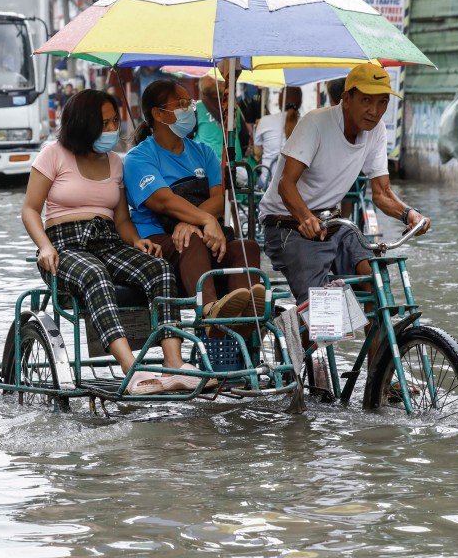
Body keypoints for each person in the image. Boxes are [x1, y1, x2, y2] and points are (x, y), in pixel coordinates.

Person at [22, 88, 199, 394]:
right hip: (64, 245)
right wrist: (44, 246)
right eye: (103, 123)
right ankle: (133, 370)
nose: (111, 129)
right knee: (95, 274)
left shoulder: (116, 162)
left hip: (108, 241)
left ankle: (174, 364)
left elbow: (121, 221)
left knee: (160, 269)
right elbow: (29, 209)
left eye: (114, 122)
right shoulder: (53, 153)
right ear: (83, 124)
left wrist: (136, 241)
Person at [258, 63, 430, 306]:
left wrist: (409, 214)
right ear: (347, 99)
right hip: (286, 225)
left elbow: (382, 193)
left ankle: (380, 344)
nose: (375, 110)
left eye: (382, 102)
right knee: (322, 309)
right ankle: (299, 341)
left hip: (332, 224)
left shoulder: (377, 130)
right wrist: (305, 217)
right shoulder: (315, 123)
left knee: (376, 281)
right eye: (367, 100)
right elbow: (286, 185)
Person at [123, 78, 264, 334]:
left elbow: (219, 199)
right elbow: (163, 201)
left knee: (246, 247)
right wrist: (206, 220)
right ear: (159, 114)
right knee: (192, 240)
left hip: (201, 234)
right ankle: (209, 311)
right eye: (183, 104)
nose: (190, 109)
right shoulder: (139, 157)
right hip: (158, 239)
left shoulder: (204, 152)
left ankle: (250, 319)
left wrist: (193, 221)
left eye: (190, 103)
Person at [252, 86, 302, 190]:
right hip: (297, 186)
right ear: (300, 101)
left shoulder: (264, 121)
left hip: (268, 183)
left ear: (280, 100)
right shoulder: (306, 123)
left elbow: (257, 153)